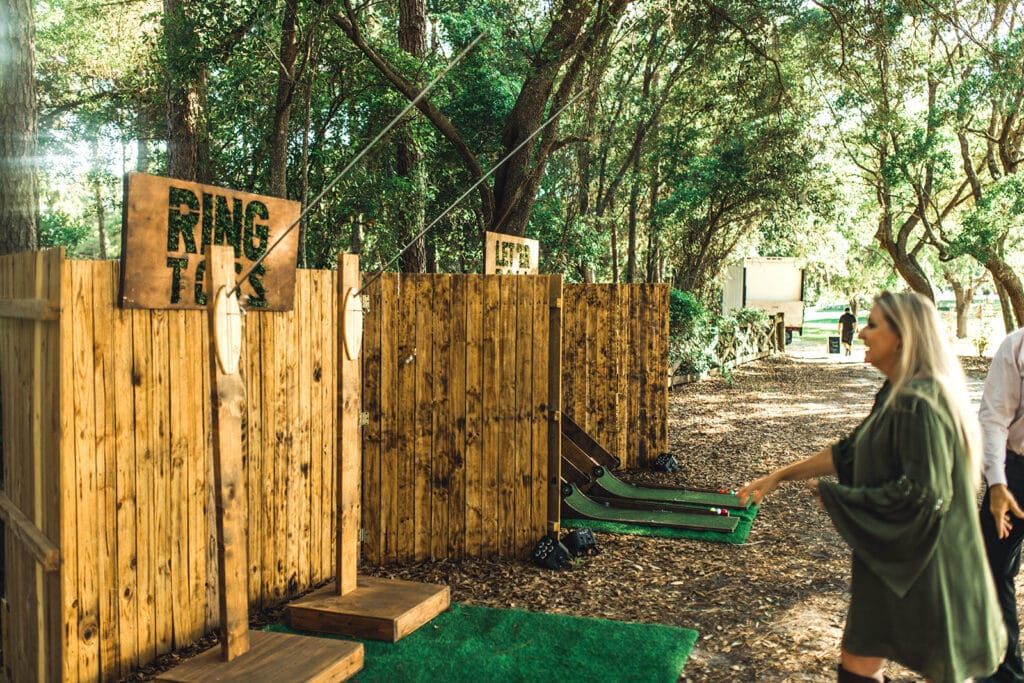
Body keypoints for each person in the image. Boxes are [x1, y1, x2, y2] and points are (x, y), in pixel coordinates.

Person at [738, 291, 1005, 683]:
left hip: (929, 566)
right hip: (889, 561)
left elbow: (923, 497)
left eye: (872, 324)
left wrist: (839, 499)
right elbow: (849, 452)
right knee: (858, 661)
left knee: (939, 671)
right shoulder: (895, 394)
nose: (860, 332)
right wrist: (776, 477)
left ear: (903, 336)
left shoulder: (920, 403)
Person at [977, 328, 1024, 683]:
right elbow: (994, 417)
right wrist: (997, 482)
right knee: (993, 568)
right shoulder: (1018, 345)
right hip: (1016, 478)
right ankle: (1005, 673)